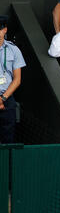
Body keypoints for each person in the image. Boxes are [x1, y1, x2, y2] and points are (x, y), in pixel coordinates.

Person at [0, 15, 26, 144]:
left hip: (7, 98)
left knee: (7, 136)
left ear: (5, 30)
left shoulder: (13, 50)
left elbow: (17, 80)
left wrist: (2, 98)